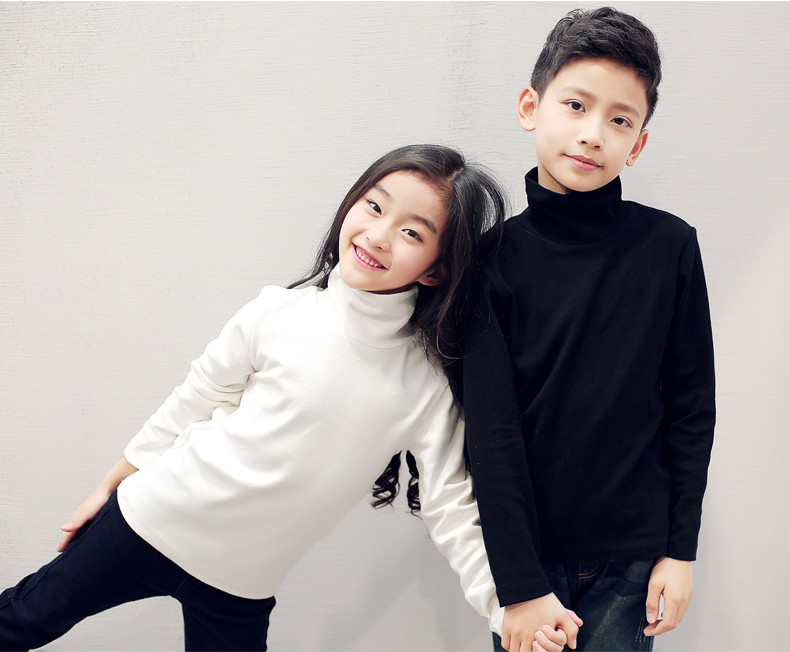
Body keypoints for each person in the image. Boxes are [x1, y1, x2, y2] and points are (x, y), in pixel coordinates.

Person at [0, 144, 579, 652]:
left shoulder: (425, 385)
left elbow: (451, 506)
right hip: (147, 521)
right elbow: (196, 397)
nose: (378, 235)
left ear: (436, 270)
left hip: (240, 587)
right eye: (374, 206)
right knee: (21, 620)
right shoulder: (277, 312)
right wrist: (110, 484)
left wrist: (507, 608)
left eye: (412, 233)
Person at [462, 8, 715, 652]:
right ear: (531, 107)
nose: (593, 134)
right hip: (529, 562)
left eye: (620, 120)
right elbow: (490, 435)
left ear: (638, 144)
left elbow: (691, 408)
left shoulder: (669, 247)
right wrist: (519, 585)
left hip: (633, 564)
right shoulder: (489, 260)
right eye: (575, 105)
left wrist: (680, 551)